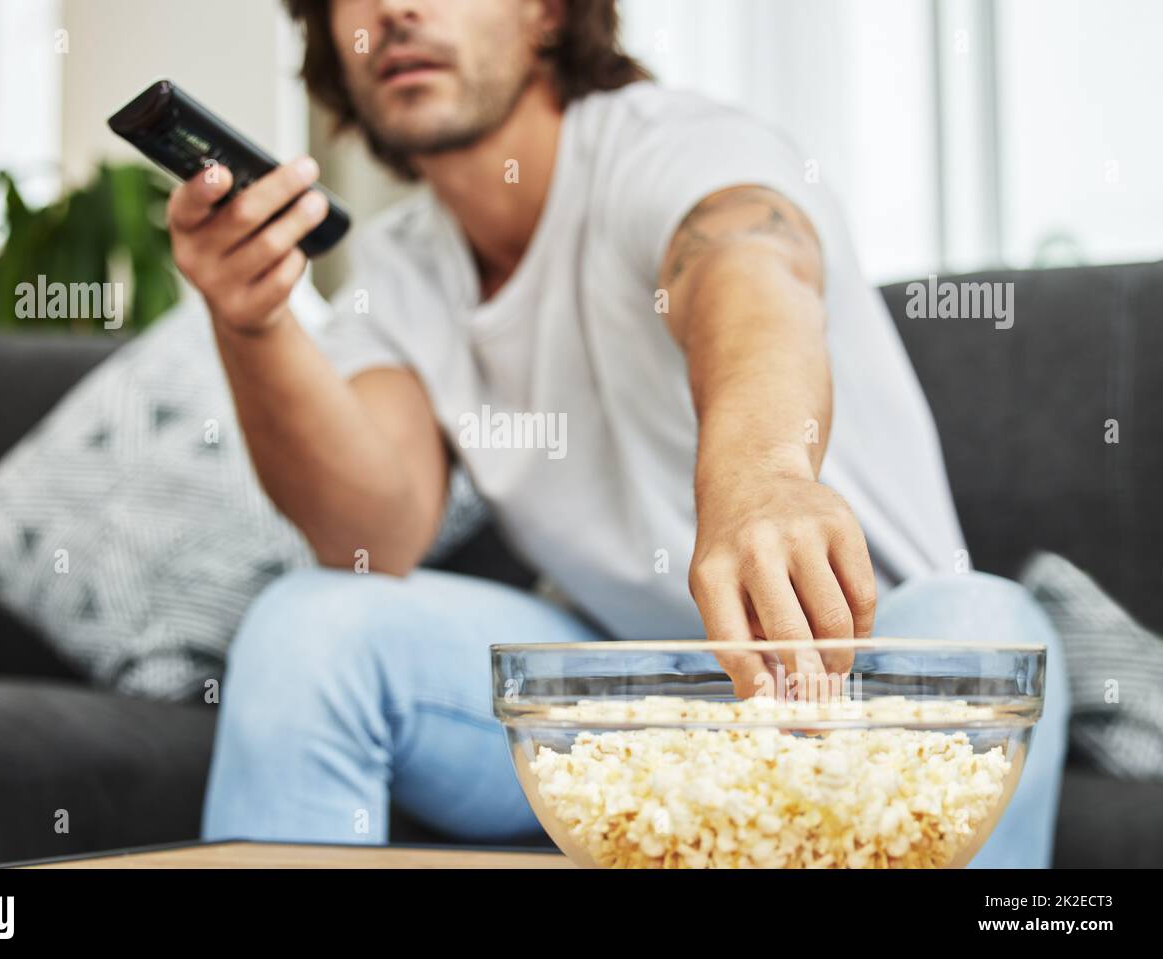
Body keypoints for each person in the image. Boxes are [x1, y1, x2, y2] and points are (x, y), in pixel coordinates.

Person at [169, 0, 1068, 866]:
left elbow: (747, 272)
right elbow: (374, 534)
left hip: (862, 669)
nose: (396, 7)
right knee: (309, 625)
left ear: (549, 12)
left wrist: (761, 474)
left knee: (989, 624)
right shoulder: (401, 266)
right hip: (628, 693)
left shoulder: (674, 144)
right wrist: (254, 325)